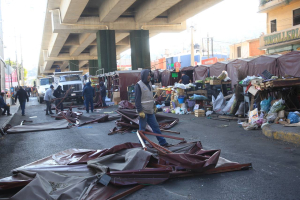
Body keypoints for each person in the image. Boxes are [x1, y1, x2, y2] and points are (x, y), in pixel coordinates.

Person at [135, 69, 169, 147]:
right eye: (148, 75)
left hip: (150, 110)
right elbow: (137, 100)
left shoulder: (149, 83)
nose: (150, 77)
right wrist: (140, 111)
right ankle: (142, 145)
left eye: (150, 75)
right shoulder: (138, 85)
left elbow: (150, 97)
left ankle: (163, 142)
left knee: (155, 127)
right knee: (142, 129)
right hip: (143, 111)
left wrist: (154, 106)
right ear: (144, 76)